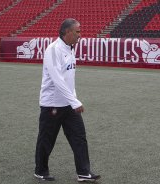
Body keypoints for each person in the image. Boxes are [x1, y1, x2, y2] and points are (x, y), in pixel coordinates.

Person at [34, 18, 101, 182]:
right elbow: (57, 79)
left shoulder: (70, 48)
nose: (80, 35)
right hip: (52, 104)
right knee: (46, 140)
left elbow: (69, 78)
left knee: (79, 137)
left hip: (69, 104)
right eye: (77, 31)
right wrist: (75, 101)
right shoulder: (53, 49)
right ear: (67, 32)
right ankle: (40, 170)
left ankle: (84, 172)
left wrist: (73, 98)